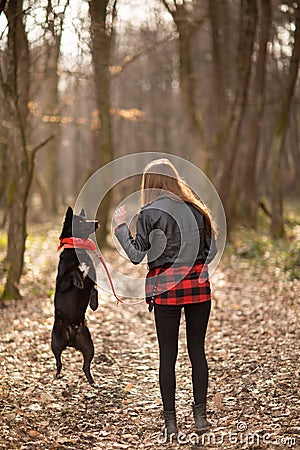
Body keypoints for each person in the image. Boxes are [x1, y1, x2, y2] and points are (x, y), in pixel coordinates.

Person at [113, 158, 217, 437]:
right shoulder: (197, 209)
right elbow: (212, 250)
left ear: (150, 184)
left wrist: (121, 227)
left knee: (167, 356)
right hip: (197, 287)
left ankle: (171, 423)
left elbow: (136, 255)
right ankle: (200, 417)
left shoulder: (148, 213)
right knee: (198, 352)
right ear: (174, 180)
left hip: (166, 289)